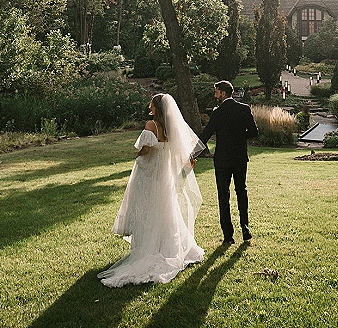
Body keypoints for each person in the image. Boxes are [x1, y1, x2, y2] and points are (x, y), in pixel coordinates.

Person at [98, 93, 206, 287]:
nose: (149, 106)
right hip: (165, 177)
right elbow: (180, 154)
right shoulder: (171, 129)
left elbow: (147, 151)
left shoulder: (151, 126)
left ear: (155, 107)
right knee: (165, 211)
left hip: (148, 176)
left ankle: (148, 250)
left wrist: (138, 153)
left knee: (147, 209)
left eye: (151, 104)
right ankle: (168, 248)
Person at [199, 80, 258, 246]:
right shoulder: (244, 109)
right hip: (240, 157)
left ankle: (228, 235)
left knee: (223, 195)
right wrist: (239, 136)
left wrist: (192, 153)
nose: (215, 95)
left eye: (217, 92)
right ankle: (245, 228)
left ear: (223, 93)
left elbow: (206, 135)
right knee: (241, 191)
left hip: (223, 159)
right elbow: (254, 132)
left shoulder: (217, 113)